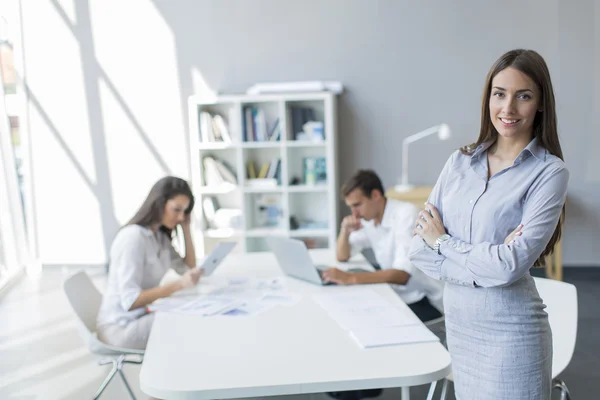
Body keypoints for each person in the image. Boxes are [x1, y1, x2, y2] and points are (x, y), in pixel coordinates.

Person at [409, 49, 568, 399]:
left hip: (512, 335)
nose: (508, 109)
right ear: (488, 98)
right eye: (500, 94)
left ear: (540, 103)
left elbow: (509, 267)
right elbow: (417, 249)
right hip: (461, 330)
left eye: (523, 96)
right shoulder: (459, 162)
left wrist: (444, 243)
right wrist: (488, 262)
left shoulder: (549, 173)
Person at [97, 176, 202, 350]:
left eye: (184, 212)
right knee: (188, 321)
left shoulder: (159, 237)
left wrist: (186, 229)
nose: (181, 217)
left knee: (189, 314)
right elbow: (130, 301)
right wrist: (178, 286)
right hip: (120, 328)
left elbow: (188, 268)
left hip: (141, 317)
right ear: (160, 204)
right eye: (176, 210)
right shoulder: (133, 238)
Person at [324, 169, 444, 321]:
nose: (354, 214)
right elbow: (342, 255)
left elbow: (403, 275)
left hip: (422, 298)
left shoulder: (405, 214)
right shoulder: (370, 219)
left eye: (357, 205)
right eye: (351, 207)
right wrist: (344, 230)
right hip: (395, 292)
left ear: (375, 195)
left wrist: (349, 278)